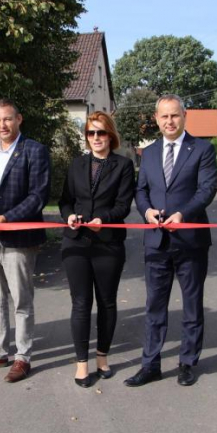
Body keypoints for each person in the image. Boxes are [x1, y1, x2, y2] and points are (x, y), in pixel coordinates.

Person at [128, 94, 217, 388]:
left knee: (192, 306)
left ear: (184, 116)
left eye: (175, 115)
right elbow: (141, 190)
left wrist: (183, 213)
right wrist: (147, 211)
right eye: (164, 116)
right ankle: (150, 364)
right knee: (154, 307)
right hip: (156, 242)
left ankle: (188, 362)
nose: (169, 121)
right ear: (156, 119)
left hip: (190, 241)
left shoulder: (202, 148)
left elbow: (207, 189)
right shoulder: (150, 152)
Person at [0, 99, 50, 383]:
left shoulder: (34, 151)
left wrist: (8, 218)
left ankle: (23, 356)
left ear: (19, 119)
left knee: (21, 300)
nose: (2, 125)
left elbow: (38, 195)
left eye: (7, 119)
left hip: (18, 237)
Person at [59, 112, 135, 388]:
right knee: (80, 303)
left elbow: (124, 205)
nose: (95, 138)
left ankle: (102, 356)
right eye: (91, 133)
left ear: (110, 135)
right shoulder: (77, 164)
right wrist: (68, 216)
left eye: (101, 133)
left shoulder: (123, 166)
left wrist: (104, 219)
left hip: (108, 243)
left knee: (106, 302)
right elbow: (65, 200)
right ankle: (82, 363)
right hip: (76, 243)